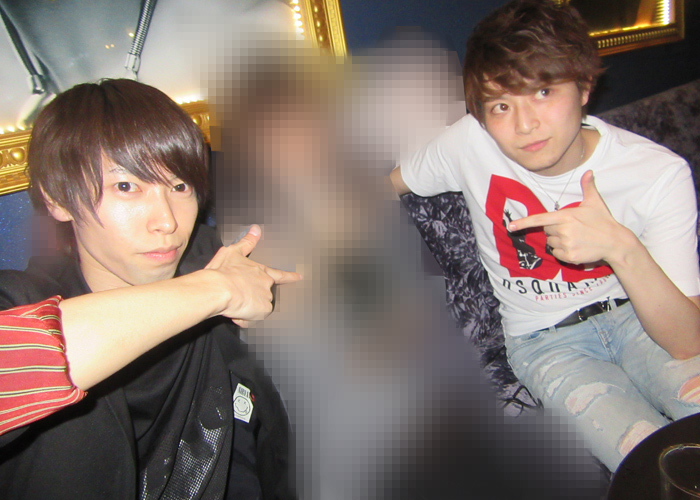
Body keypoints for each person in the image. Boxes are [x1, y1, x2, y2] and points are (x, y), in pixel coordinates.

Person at [390, 0, 700, 471]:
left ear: (584, 86)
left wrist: (621, 248)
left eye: (542, 91)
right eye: (501, 105)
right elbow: (381, 188)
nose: (524, 124)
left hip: (639, 317)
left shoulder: (656, 174)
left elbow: (687, 341)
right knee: (648, 462)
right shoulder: (468, 143)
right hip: (546, 342)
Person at [0, 78, 301, 499]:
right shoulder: (21, 298)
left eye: (179, 187)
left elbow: (318, 256)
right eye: (127, 186)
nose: (167, 221)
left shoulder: (210, 256)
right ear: (58, 199)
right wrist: (213, 290)